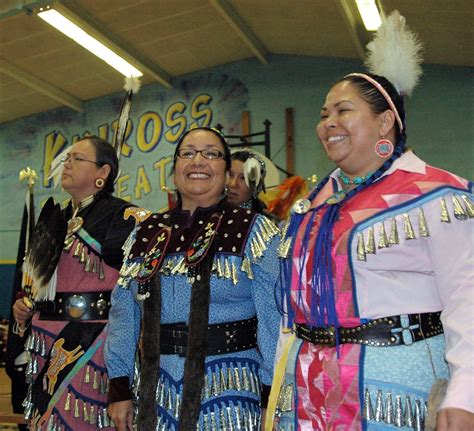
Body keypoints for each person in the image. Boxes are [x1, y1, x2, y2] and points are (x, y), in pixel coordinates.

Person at [267, 12, 473, 431]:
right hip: (307, 394)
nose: (328, 123)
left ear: (385, 122)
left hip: (393, 392)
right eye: (324, 114)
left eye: (344, 110)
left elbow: (467, 301)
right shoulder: (313, 206)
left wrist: (466, 393)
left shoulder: (436, 194)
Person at [105, 127, 281, 430]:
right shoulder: (146, 232)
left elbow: (274, 319)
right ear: (174, 171)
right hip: (156, 390)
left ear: (226, 172)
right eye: (188, 153)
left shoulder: (253, 230)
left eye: (211, 154)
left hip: (231, 387)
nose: (198, 161)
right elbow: (124, 313)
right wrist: (119, 385)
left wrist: (271, 396)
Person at [11, 136, 135, 430]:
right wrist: (23, 305)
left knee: (81, 419)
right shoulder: (54, 216)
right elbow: (35, 283)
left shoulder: (123, 216)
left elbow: (134, 288)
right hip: (45, 340)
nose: (66, 164)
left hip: (92, 342)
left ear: (103, 172)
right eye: (66, 159)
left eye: (77, 159)